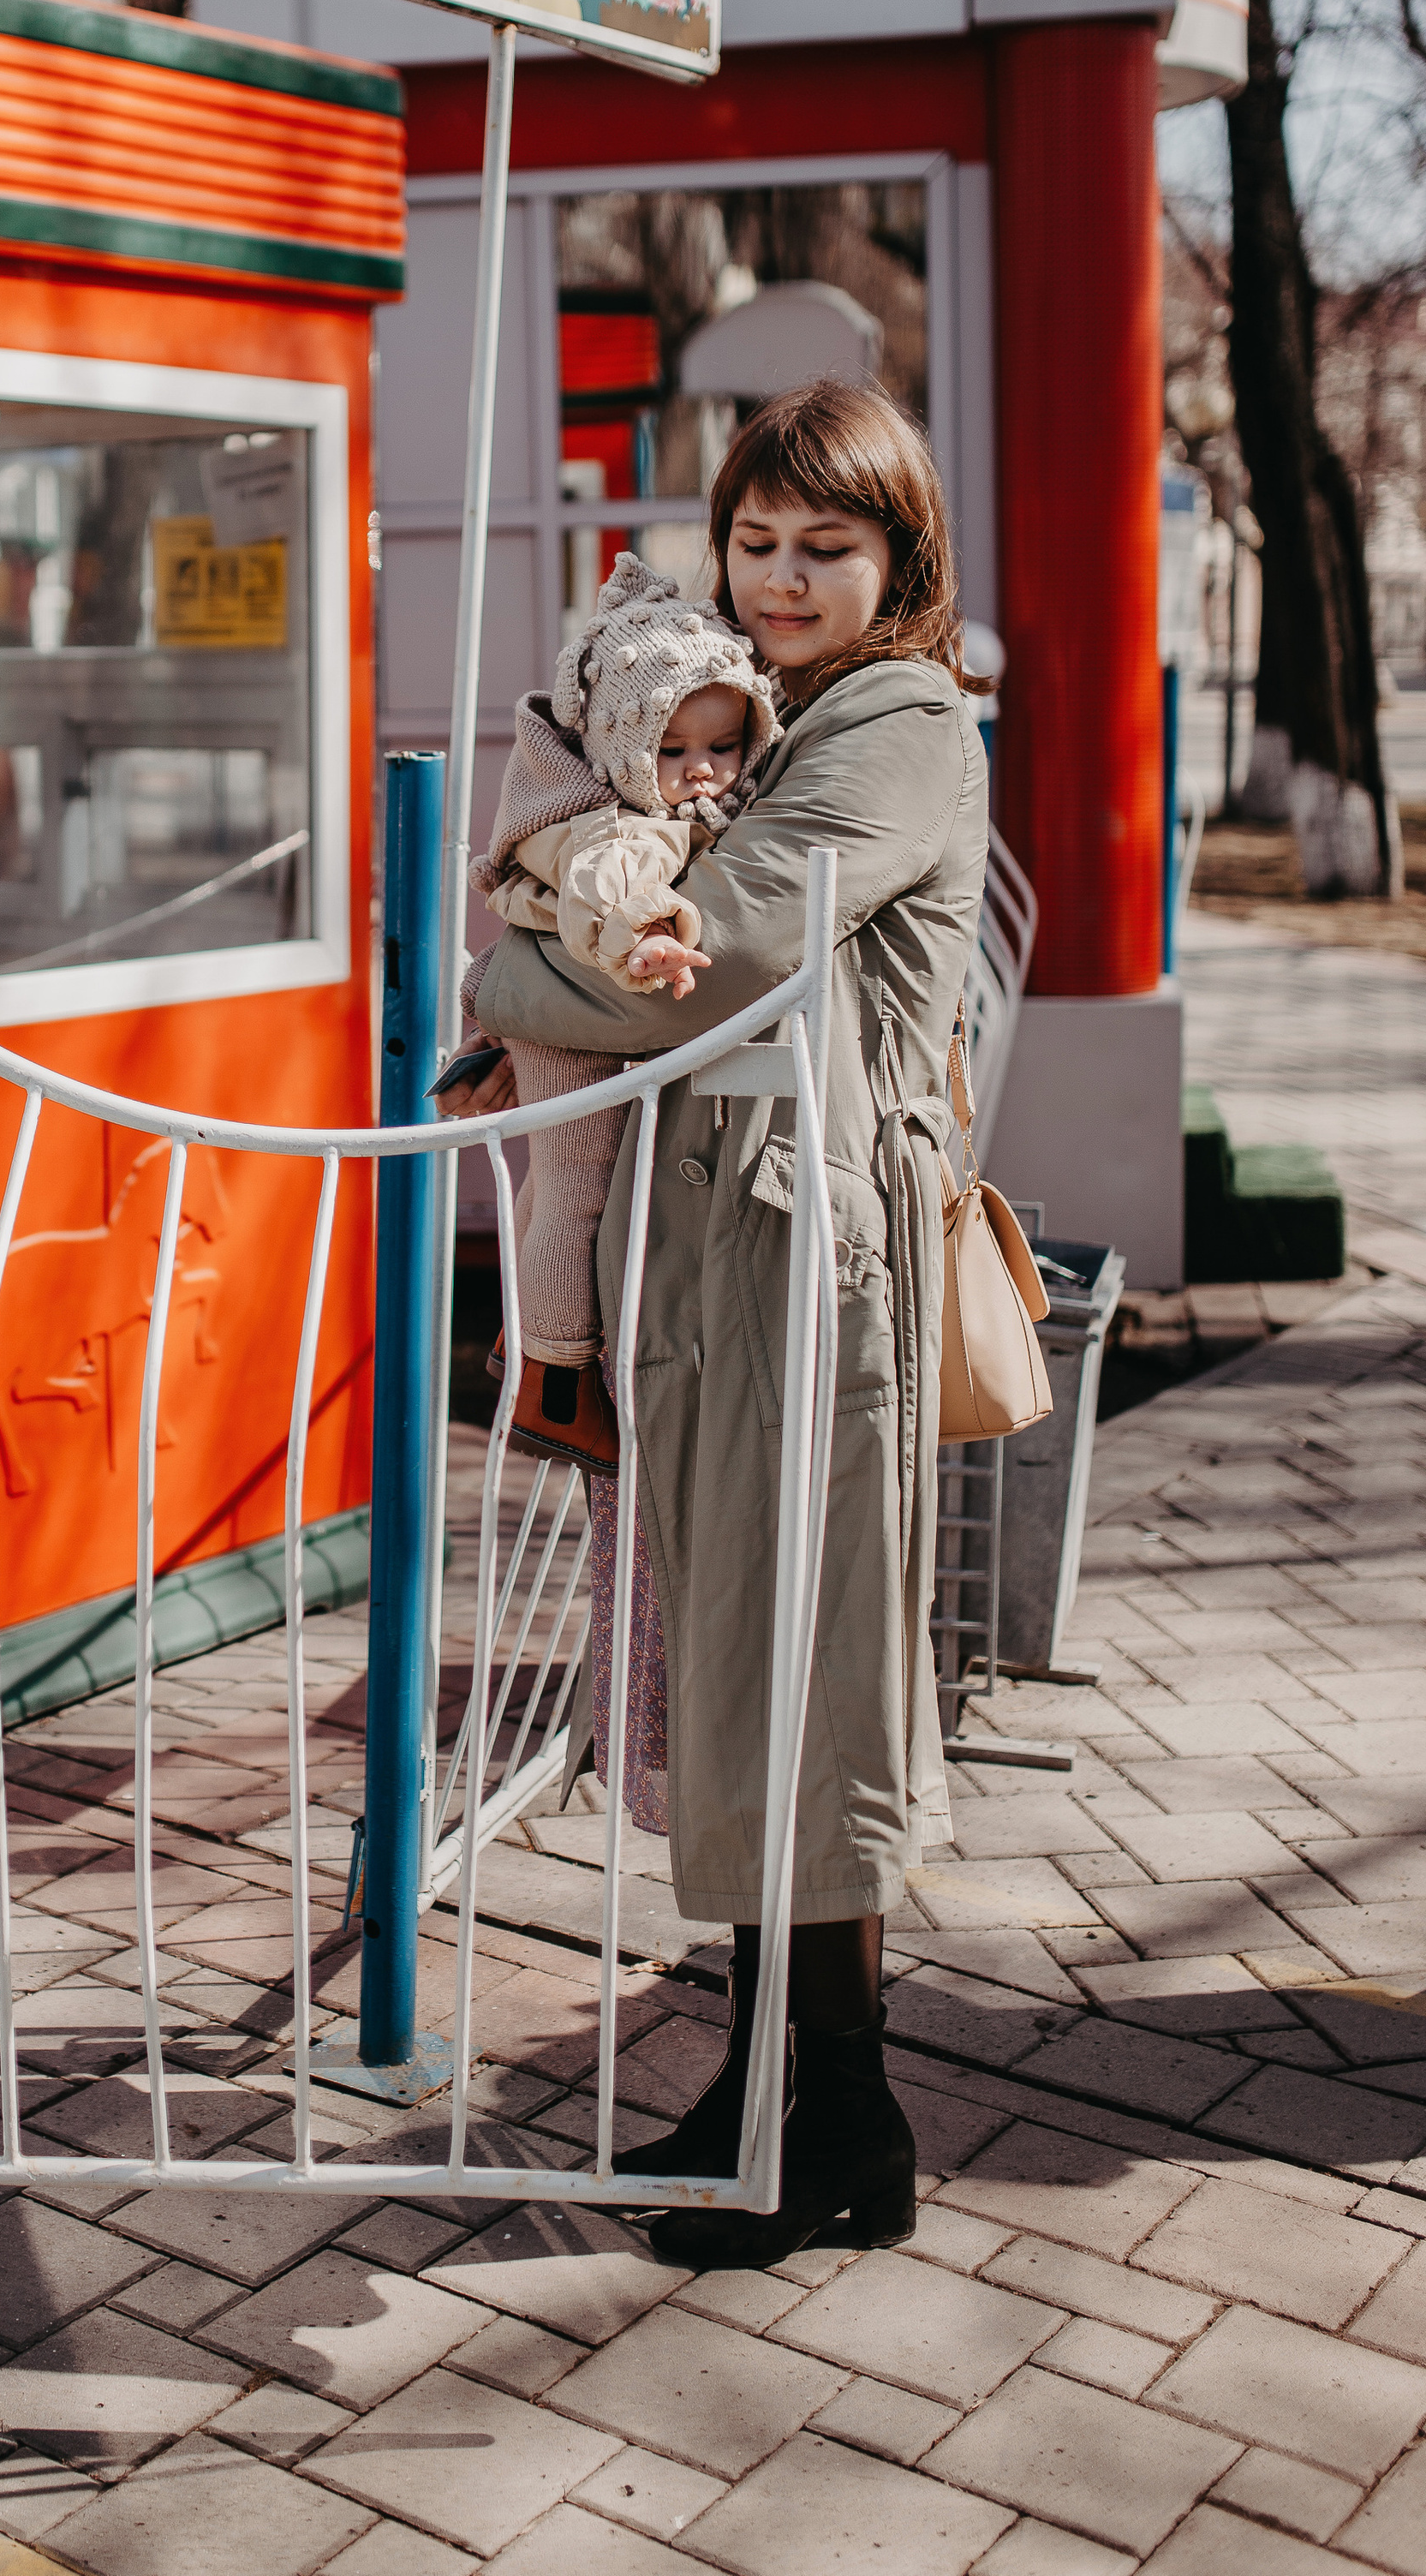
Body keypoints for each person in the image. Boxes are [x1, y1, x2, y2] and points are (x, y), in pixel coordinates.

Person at [441, 378, 988, 2267]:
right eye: (750, 542)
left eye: (821, 549)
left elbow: (703, 962)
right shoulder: (783, 718)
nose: (773, 581)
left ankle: (806, 2114)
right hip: (735, 1256)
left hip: (809, 1266)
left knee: (801, 1684)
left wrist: (503, 965)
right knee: (747, 1686)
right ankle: (810, 2105)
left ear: (895, 560)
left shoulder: (895, 723)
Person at [467, 551, 779, 1474]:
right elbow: (613, 884)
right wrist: (644, 940)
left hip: (558, 1008)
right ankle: (556, 1389)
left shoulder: (639, 796)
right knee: (580, 1187)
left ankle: (524, 1338)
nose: (699, 774)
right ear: (617, 748)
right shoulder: (615, 821)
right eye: (672, 753)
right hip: (574, 1014)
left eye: (722, 749)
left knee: (557, 1177)